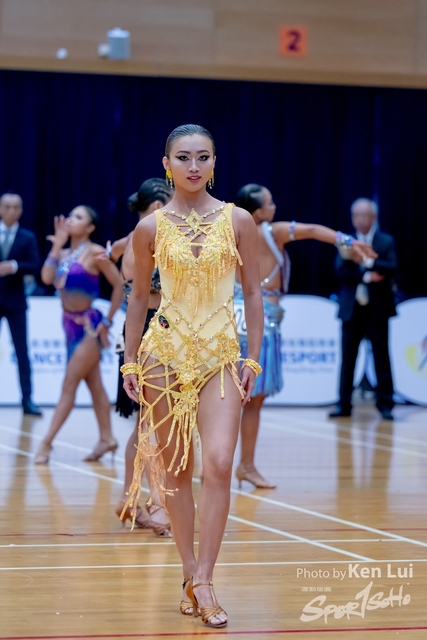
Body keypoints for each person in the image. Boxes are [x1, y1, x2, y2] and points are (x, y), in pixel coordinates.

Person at [121, 124, 264, 628]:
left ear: (215, 162)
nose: (194, 166)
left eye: (203, 157)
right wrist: (130, 360)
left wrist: (252, 357)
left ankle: (205, 576)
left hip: (220, 355)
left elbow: (252, 292)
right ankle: (191, 576)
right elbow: (139, 299)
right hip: (163, 355)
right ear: (167, 164)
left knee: (220, 463)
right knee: (176, 469)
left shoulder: (238, 220)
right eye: (183, 157)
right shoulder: (150, 228)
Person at [234, 184, 378, 488]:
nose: (274, 207)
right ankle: (245, 464)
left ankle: (211, 466)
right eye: (270, 203)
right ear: (258, 212)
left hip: (230, 319)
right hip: (260, 322)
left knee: (225, 398)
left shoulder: (230, 233)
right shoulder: (271, 232)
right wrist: (348, 240)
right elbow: (312, 230)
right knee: (252, 400)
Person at [108, 178, 173, 536]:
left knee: (144, 423)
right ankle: (158, 503)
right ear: (157, 206)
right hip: (149, 329)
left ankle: (128, 497)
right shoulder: (149, 238)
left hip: (145, 328)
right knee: (153, 424)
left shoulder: (133, 238)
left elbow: (111, 252)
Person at [35, 205, 123, 464]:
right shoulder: (63, 253)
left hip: (89, 328)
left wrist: (108, 320)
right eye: (71, 216)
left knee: (69, 383)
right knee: (94, 383)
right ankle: (107, 438)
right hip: (68, 326)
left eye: (78, 217)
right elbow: (46, 278)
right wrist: (57, 244)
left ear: (90, 227)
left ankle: (46, 443)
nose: (71, 220)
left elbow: (119, 284)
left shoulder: (95, 252)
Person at [329, 198, 397, 421]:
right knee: (348, 359)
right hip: (352, 309)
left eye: (363, 215)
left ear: (373, 217)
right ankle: (343, 404)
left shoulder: (385, 241)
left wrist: (366, 262)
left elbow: (392, 267)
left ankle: (386, 404)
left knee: (381, 357)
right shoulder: (347, 241)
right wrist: (367, 276)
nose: (358, 219)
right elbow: (341, 271)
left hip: (377, 309)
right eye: (355, 215)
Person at [0, 192, 42, 416]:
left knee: (22, 351)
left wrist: (15, 266)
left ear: (21, 210)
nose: (11, 211)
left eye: (16, 207)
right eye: (7, 207)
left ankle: (27, 399)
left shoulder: (27, 237)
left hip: (16, 302)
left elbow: (35, 265)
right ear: (0, 208)